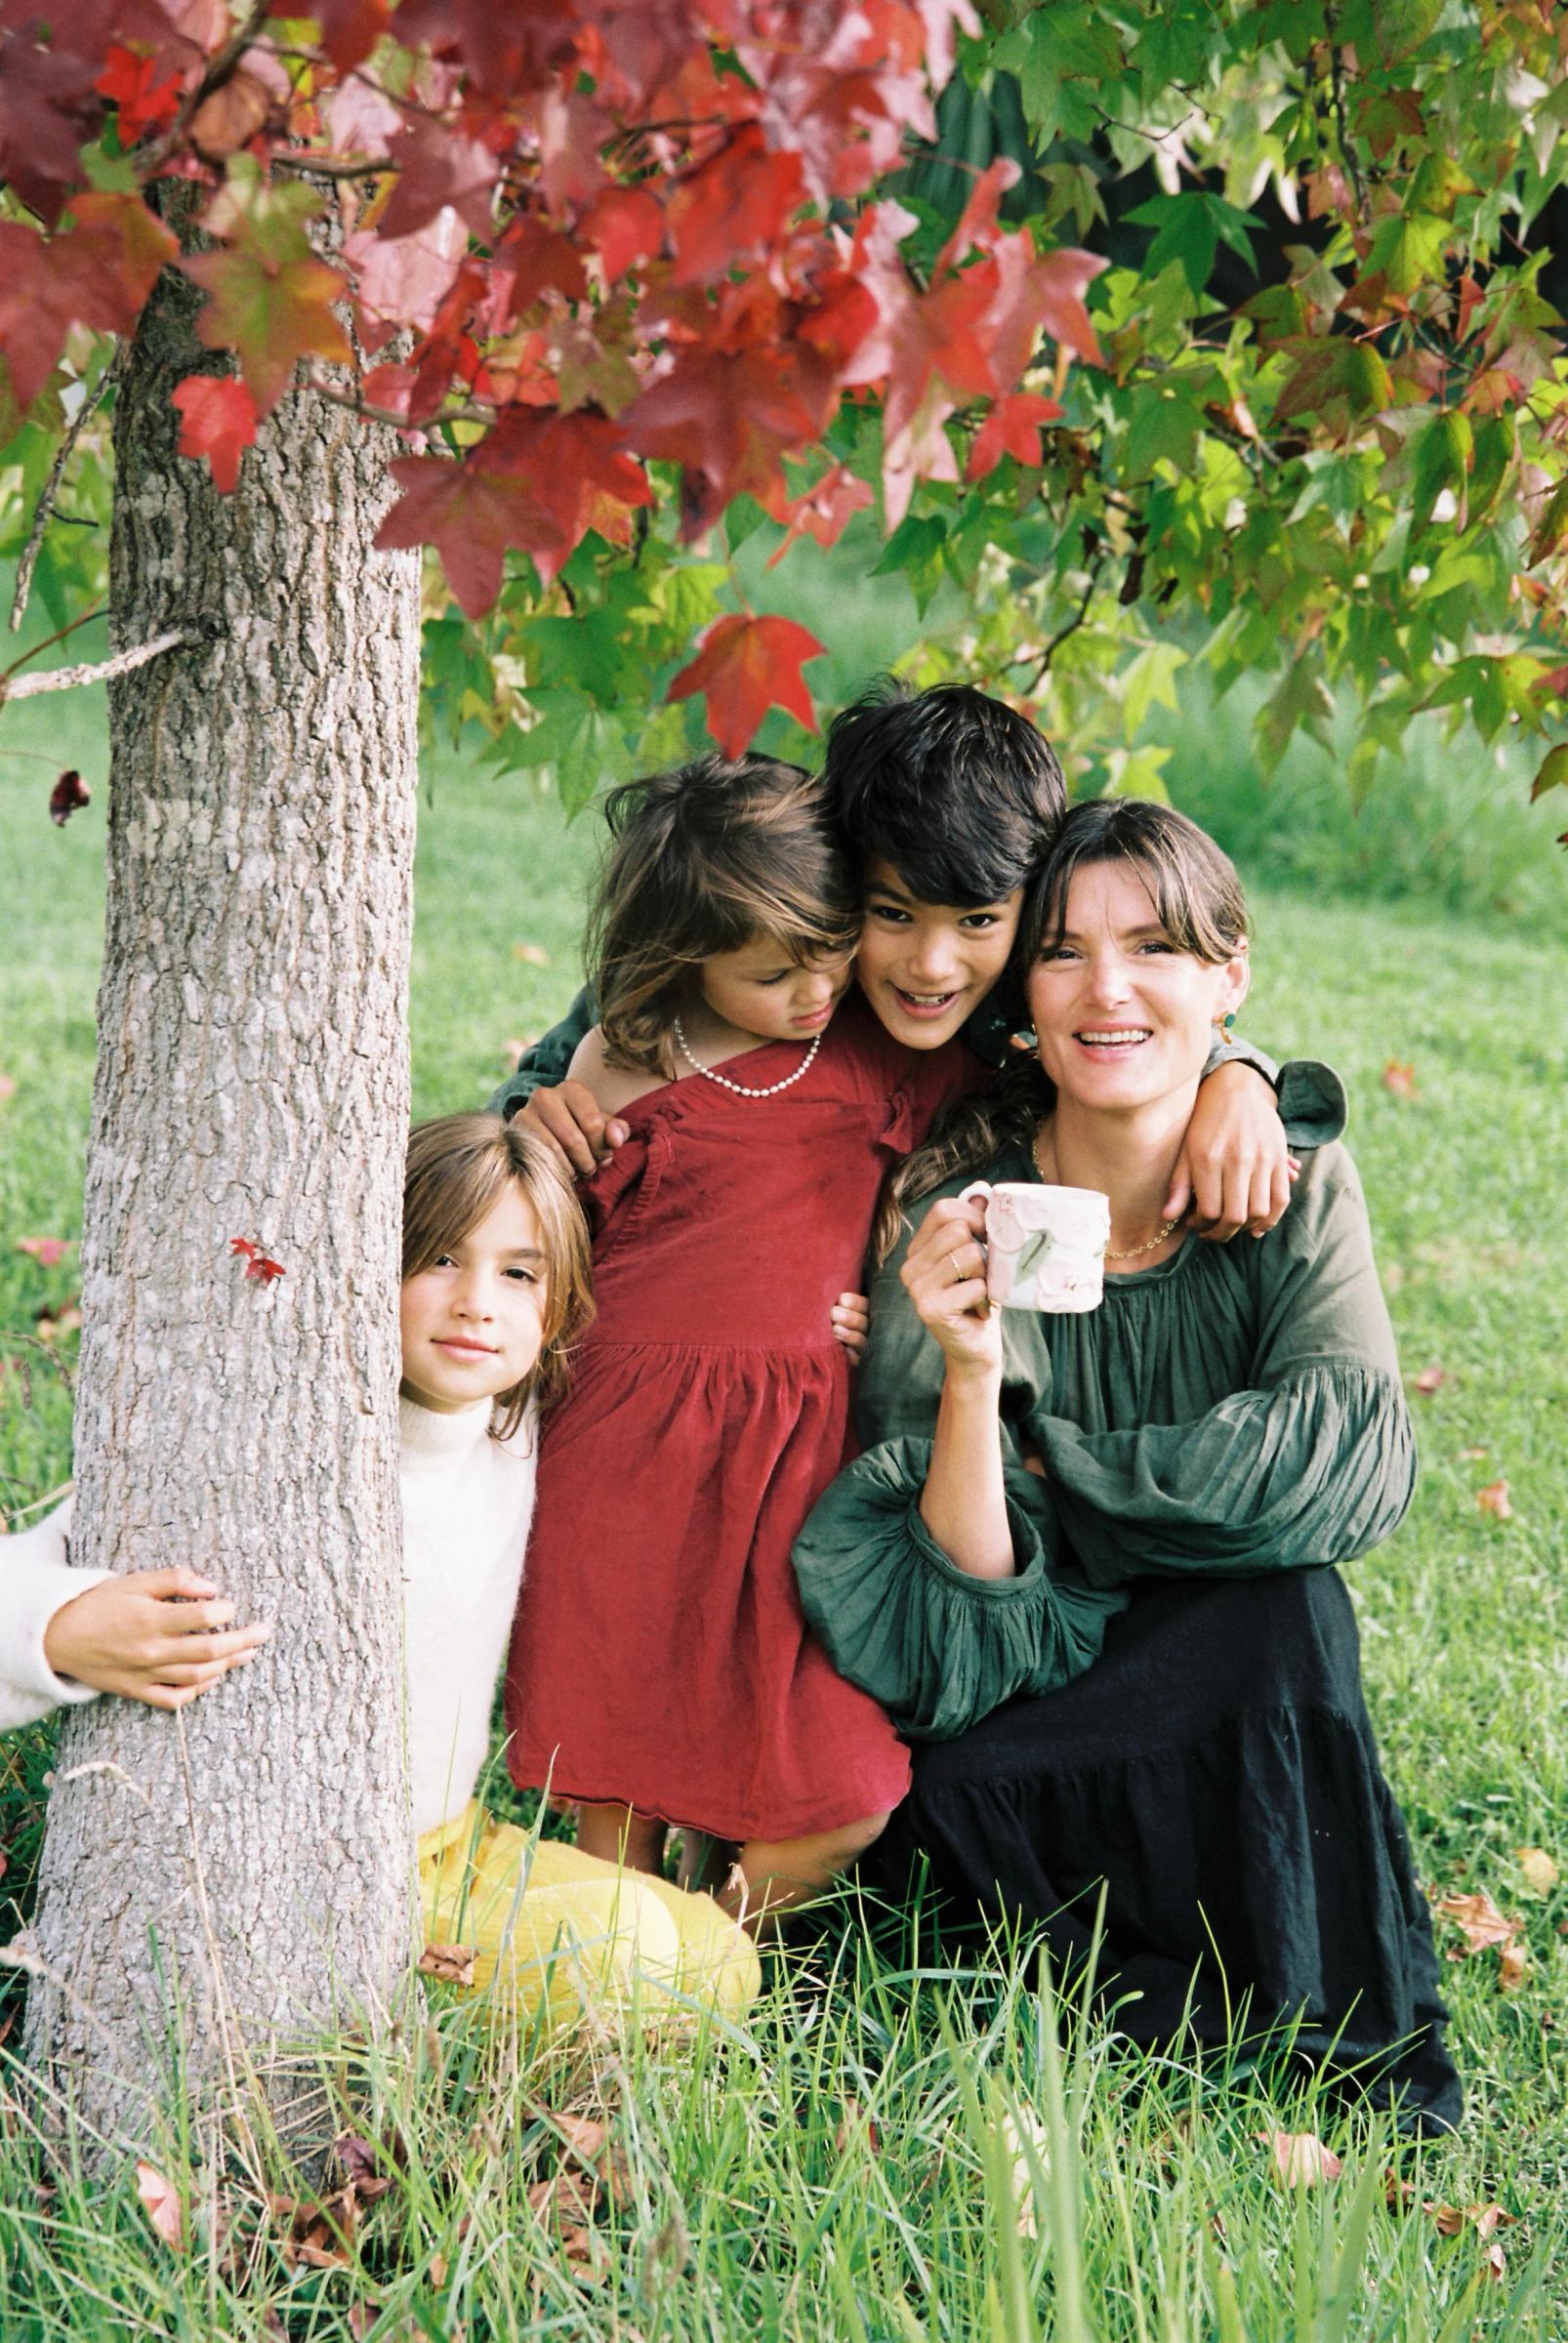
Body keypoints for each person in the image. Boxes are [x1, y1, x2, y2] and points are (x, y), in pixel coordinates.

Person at [793, 799, 1461, 2132]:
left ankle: (1293, 2013)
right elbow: (952, 1631)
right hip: (1027, 1708)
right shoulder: (960, 1210)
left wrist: (1067, 1481)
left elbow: (1343, 1459)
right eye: (1062, 953)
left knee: (1285, 1612)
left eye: (1153, 948)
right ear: (1020, 1000)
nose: (1106, 989)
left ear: (1228, 981)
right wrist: (977, 1379)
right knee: (976, 1757)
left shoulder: (1291, 1186)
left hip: (1214, 1668)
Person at [2, 1115, 759, 2026]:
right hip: (321, 1891)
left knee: (718, 1955)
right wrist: (61, 1630)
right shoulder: (263, 1451)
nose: (478, 1301)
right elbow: (28, 1567)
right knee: (636, 1964)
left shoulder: (515, 1442)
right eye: (438, 1258)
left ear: (554, 1310)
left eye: (518, 1272)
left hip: (451, 1844)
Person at [493, 682, 1339, 1244]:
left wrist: (1239, 1074)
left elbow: (1151, 1013)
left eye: (976, 919)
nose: (931, 967)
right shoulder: (768, 952)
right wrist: (530, 1112)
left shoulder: (1031, 983)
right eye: (889, 913)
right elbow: (581, 1052)